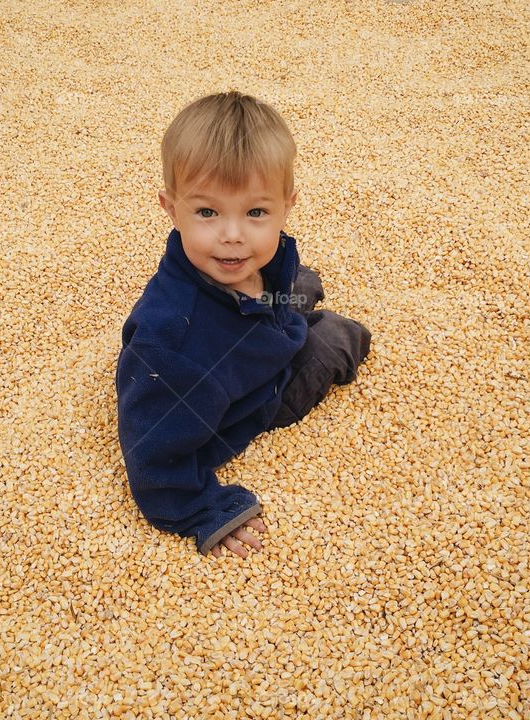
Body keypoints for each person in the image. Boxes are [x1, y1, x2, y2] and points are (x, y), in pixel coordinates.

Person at [115, 91, 371, 558]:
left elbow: (253, 254)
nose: (232, 235)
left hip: (255, 317)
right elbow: (150, 453)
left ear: (287, 207)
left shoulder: (230, 261)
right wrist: (202, 510)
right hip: (259, 392)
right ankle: (303, 323)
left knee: (290, 282)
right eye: (208, 212)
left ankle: (285, 304)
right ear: (171, 209)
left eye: (256, 212)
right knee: (336, 335)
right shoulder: (170, 347)